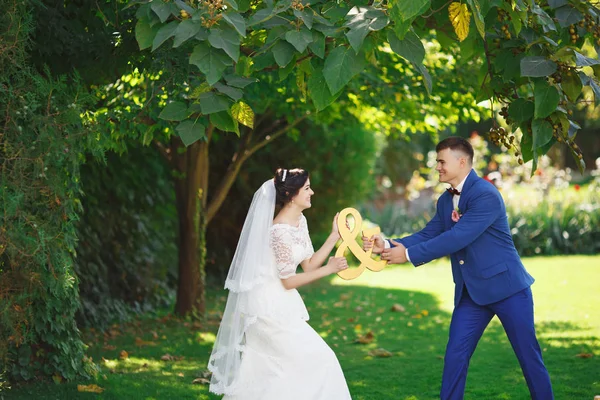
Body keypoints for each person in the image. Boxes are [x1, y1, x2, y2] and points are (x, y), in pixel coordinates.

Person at [364, 137, 553, 400]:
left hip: (508, 289)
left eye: (442, 161)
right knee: (455, 356)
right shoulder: (445, 201)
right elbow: (430, 233)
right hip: (472, 294)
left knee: (529, 358)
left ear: (461, 161)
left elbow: (457, 238)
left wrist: (407, 255)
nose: (438, 167)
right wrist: (385, 244)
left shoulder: (486, 194)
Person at [208, 168, 352, 400]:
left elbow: (308, 264)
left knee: (283, 371)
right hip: (267, 307)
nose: (312, 192)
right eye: (307, 188)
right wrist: (330, 269)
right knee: (319, 359)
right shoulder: (279, 231)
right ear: (292, 195)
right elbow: (288, 281)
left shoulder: (299, 221)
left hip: (281, 303)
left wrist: (334, 236)